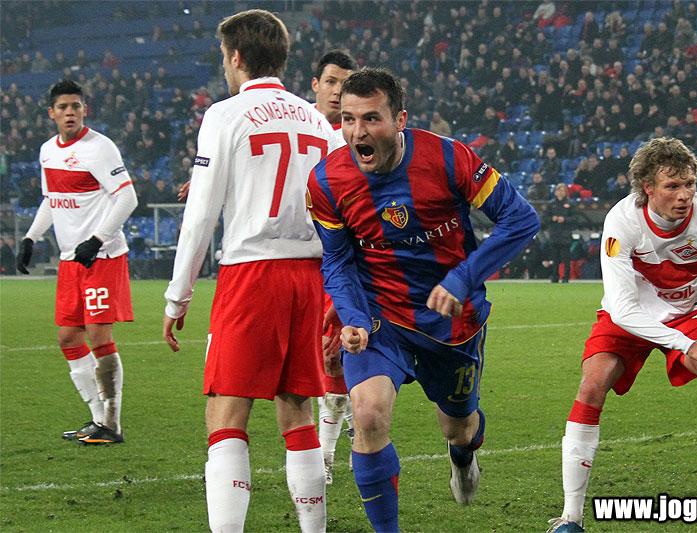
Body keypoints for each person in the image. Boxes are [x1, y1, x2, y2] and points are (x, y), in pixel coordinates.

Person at [307, 68, 540, 532]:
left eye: (371, 118)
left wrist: (462, 279)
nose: (357, 132)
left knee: (459, 427)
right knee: (367, 415)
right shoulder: (327, 181)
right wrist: (352, 316)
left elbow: (521, 219)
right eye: (349, 119)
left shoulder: (449, 158)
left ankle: (462, 455)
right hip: (380, 317)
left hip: (451, 321)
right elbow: (336, 260)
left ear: (399, 120)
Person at [162, 10, 340, 533]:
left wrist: (178, 295)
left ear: (236, 57)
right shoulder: (318, 123)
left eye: (224, 56)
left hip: (252, 274)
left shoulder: (226, 114)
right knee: (297, 411)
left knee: (226, 413)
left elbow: (200, 214)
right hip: (309, 277)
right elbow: (343, 211)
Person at [547, 138, 697, 533]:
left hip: (688, 310)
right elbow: (622, 308)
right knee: (592, 384)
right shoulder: (621, 221)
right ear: (647, 187)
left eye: (690, 184)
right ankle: (570, 518)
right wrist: (687, 345)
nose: (684, 195)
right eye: (672, 186)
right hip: (627, 314)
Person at [17, 79, 137, 445]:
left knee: (99, 334)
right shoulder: (47, 152)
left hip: (102, 256)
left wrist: (97, 239)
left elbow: (128, 198)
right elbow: (51, 199)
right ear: (51, 113)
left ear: (85, 110)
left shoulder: (100, 148)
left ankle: (112, 425)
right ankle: (98, 418)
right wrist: (31, 237)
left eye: (76, 106)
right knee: (69, 337)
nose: (70, 113)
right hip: (71, 259)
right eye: (63, 107)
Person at [310, 49, 358, 486]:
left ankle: (323, 457)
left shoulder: (356, 138)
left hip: (338, 260)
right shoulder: (296, 126)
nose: (338, 91)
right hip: (293, 260)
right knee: (303, 364)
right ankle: (351, 420)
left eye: (345, 83)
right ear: (315, 85)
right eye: (331, 81)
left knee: (334, 356)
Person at [546, 183, 574, 283]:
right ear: (555, 192)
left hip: (565, 234)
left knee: (566, 258)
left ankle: (566, 277)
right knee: (555, 258)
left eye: (562, 190)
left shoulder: (570, 204)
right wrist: (552, 218)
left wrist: (565, 219)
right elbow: (544, 218)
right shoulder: (551, 204)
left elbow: (575, 218)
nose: (560, 192)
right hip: (554, 234)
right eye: (558, 190)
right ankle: (554, 276)